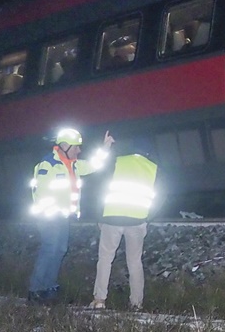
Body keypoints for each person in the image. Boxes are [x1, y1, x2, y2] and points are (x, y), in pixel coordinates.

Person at [27, 128, 113, 303]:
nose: (79, 151)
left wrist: (105, 148)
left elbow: (93, 165)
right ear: (65, 146)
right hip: (49, 217)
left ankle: (49, 287)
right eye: (76, 147)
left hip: (62, 217)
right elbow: (41, 192)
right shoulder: (48, 164)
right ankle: (36, 289)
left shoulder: (73, 165)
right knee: (50, 250)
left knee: (59, 250)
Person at [90, 150, 159, 311]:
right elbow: (160, 197)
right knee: (135, 262)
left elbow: (101, 190)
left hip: (112, 219)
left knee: (105, 260)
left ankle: (99, 300)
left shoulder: (117, 162)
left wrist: (100, 216)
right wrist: (147, 217)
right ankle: (136, 303)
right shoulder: (152, 167)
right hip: (137, 221)